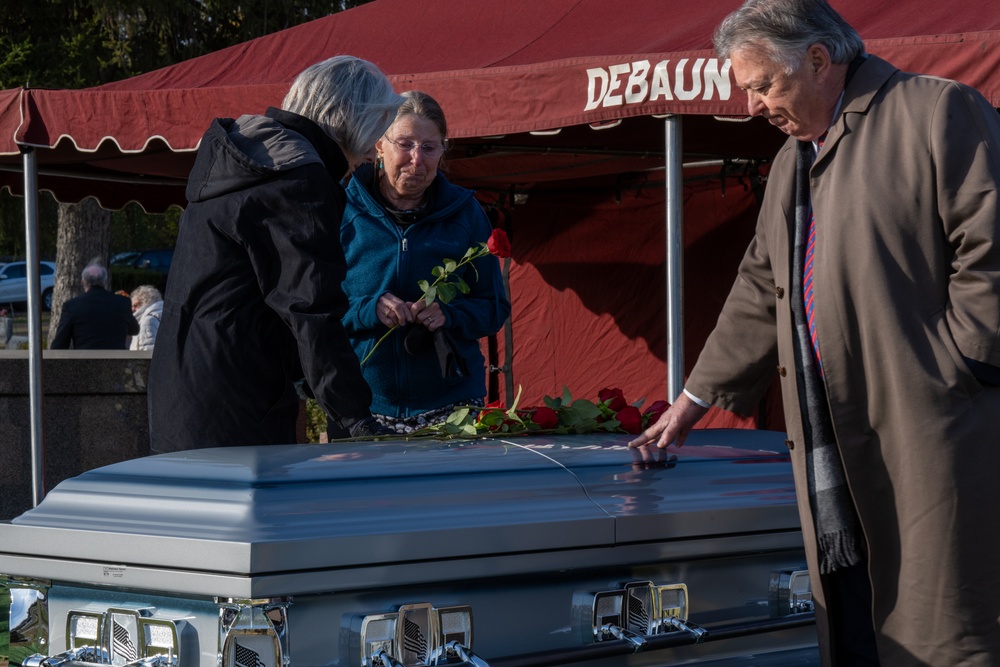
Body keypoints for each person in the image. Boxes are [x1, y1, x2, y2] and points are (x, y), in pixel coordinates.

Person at [629, 1, 1000, 665]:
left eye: (763, 85)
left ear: (820, 60)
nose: (754, 105)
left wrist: (959, 367)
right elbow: (757, 289)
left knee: (944, 628)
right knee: (858, 623)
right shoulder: (790, 163)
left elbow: (991, 250)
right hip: (837, 437)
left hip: (935, 429)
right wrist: (690, 401)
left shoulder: (938, 111)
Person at [147, 55, 403, 453]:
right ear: (352, 119)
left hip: (181, 389)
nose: (374, 151)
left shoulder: (247, 160)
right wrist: (357, 419)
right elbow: (312, 308)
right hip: (238, 403)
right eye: (376, 131)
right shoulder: (297, 179)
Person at [339, 91, 510, 434]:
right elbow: (314, 307)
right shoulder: (342, 210)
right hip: (360, 407)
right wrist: (368, 309)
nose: (417, 160)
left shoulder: (465, 214)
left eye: (429, 147)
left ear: (443, 151)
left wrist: (450, 314)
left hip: (452, 406)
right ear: (379, 145)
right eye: (405, 144)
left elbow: (493, 307)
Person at [51, 262, 139, 350]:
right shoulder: (122, 303)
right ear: (105, 281)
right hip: (117, 361)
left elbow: (60, 344)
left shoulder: (72, 306)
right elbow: (134, 330)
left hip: (85, 361)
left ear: (82, 282)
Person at [128, 284, 163, 350]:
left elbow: (147, 350)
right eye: (131, 306)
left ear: (146, 302)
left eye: (135, 305)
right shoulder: (162, 314)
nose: (132, 309)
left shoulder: (148, 321)